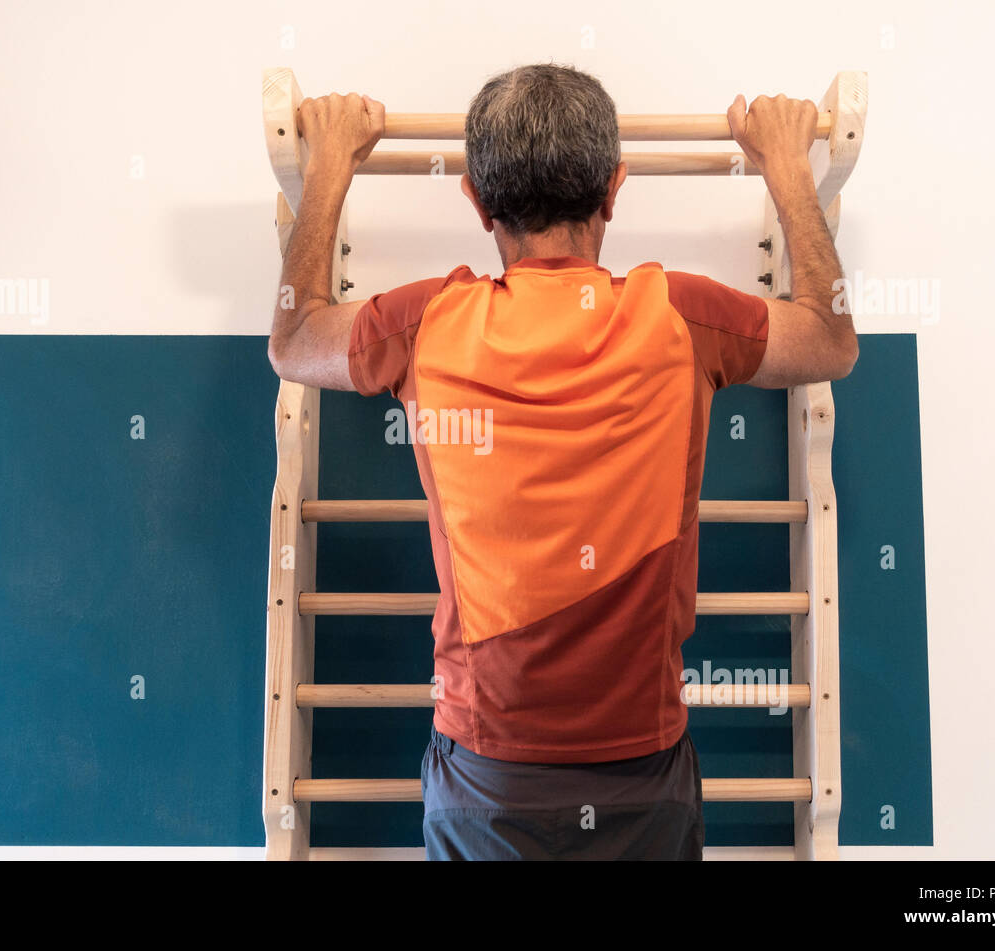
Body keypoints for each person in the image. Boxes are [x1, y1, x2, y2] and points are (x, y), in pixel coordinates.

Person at [267, 64, 858, 860]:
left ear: (476, 202)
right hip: (640, 776)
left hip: (487, 779)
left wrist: (333, 165)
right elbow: (831, 336)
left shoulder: (429, 322)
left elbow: (294, 340)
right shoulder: (682, 316)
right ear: (615, 190)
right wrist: (787, 167)